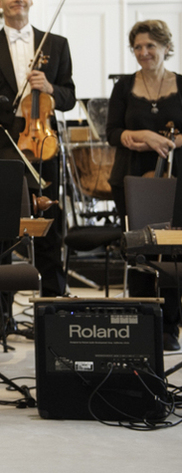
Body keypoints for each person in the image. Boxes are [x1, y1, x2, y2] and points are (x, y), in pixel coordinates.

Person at [0, 0, 76, 301]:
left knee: (49, 229)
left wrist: (51, 87)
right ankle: (1, 311)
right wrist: (0, 149)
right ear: (0, 3)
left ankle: (53, 304)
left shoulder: (56, 44)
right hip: (2, 150)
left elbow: (69, 98)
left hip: (44, 146)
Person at [105, 19, 181, 351]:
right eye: (137, 47)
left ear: (166, 47)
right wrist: (143, 136)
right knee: (139, 250)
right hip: (132, 178)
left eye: (150, 46)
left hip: (175, 180)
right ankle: (139, 322)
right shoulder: (124, 87)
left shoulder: (181, 84)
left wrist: (172, 140)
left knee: (173, 251)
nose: (144, 52)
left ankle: (169, 327)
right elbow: (110, 133)